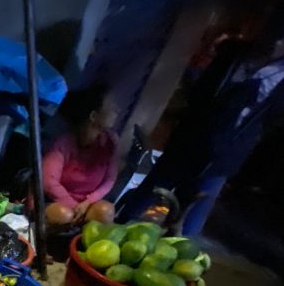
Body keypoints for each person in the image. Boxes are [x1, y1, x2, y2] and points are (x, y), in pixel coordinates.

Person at [121, 27, 284, 235]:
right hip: (190, 138)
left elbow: (270, 122)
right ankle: (120, 227)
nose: (276, 42)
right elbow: (203, 89)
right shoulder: (234, 52)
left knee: (189, 217)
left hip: (224, 154)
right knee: (149, 193)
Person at [42, 85, 119, 227]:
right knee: (64, 215)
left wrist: (88, 202)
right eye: (112, 107)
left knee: (106, 212)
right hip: (56, 201)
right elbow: (48, 182)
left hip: (85, 204)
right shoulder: (63, 143)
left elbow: (110, 179)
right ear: (94, 116)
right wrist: (74, 206)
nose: (117, 111)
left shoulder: (110, 142)